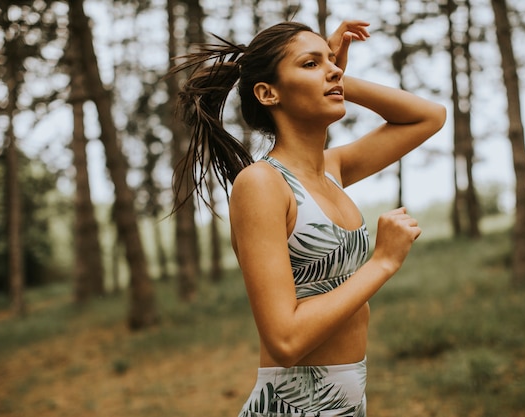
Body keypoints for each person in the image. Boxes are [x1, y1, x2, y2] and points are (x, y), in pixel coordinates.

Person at [170, 19, 446, 417]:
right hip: (294, 407)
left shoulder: (331, 170)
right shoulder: (262, 183)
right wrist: (383, 262)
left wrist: (334, 76)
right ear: (268, 93)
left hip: (344, 404)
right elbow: (285, 341)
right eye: (310, 64)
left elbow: (429, 116)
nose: (333, 69)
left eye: (331, 62)